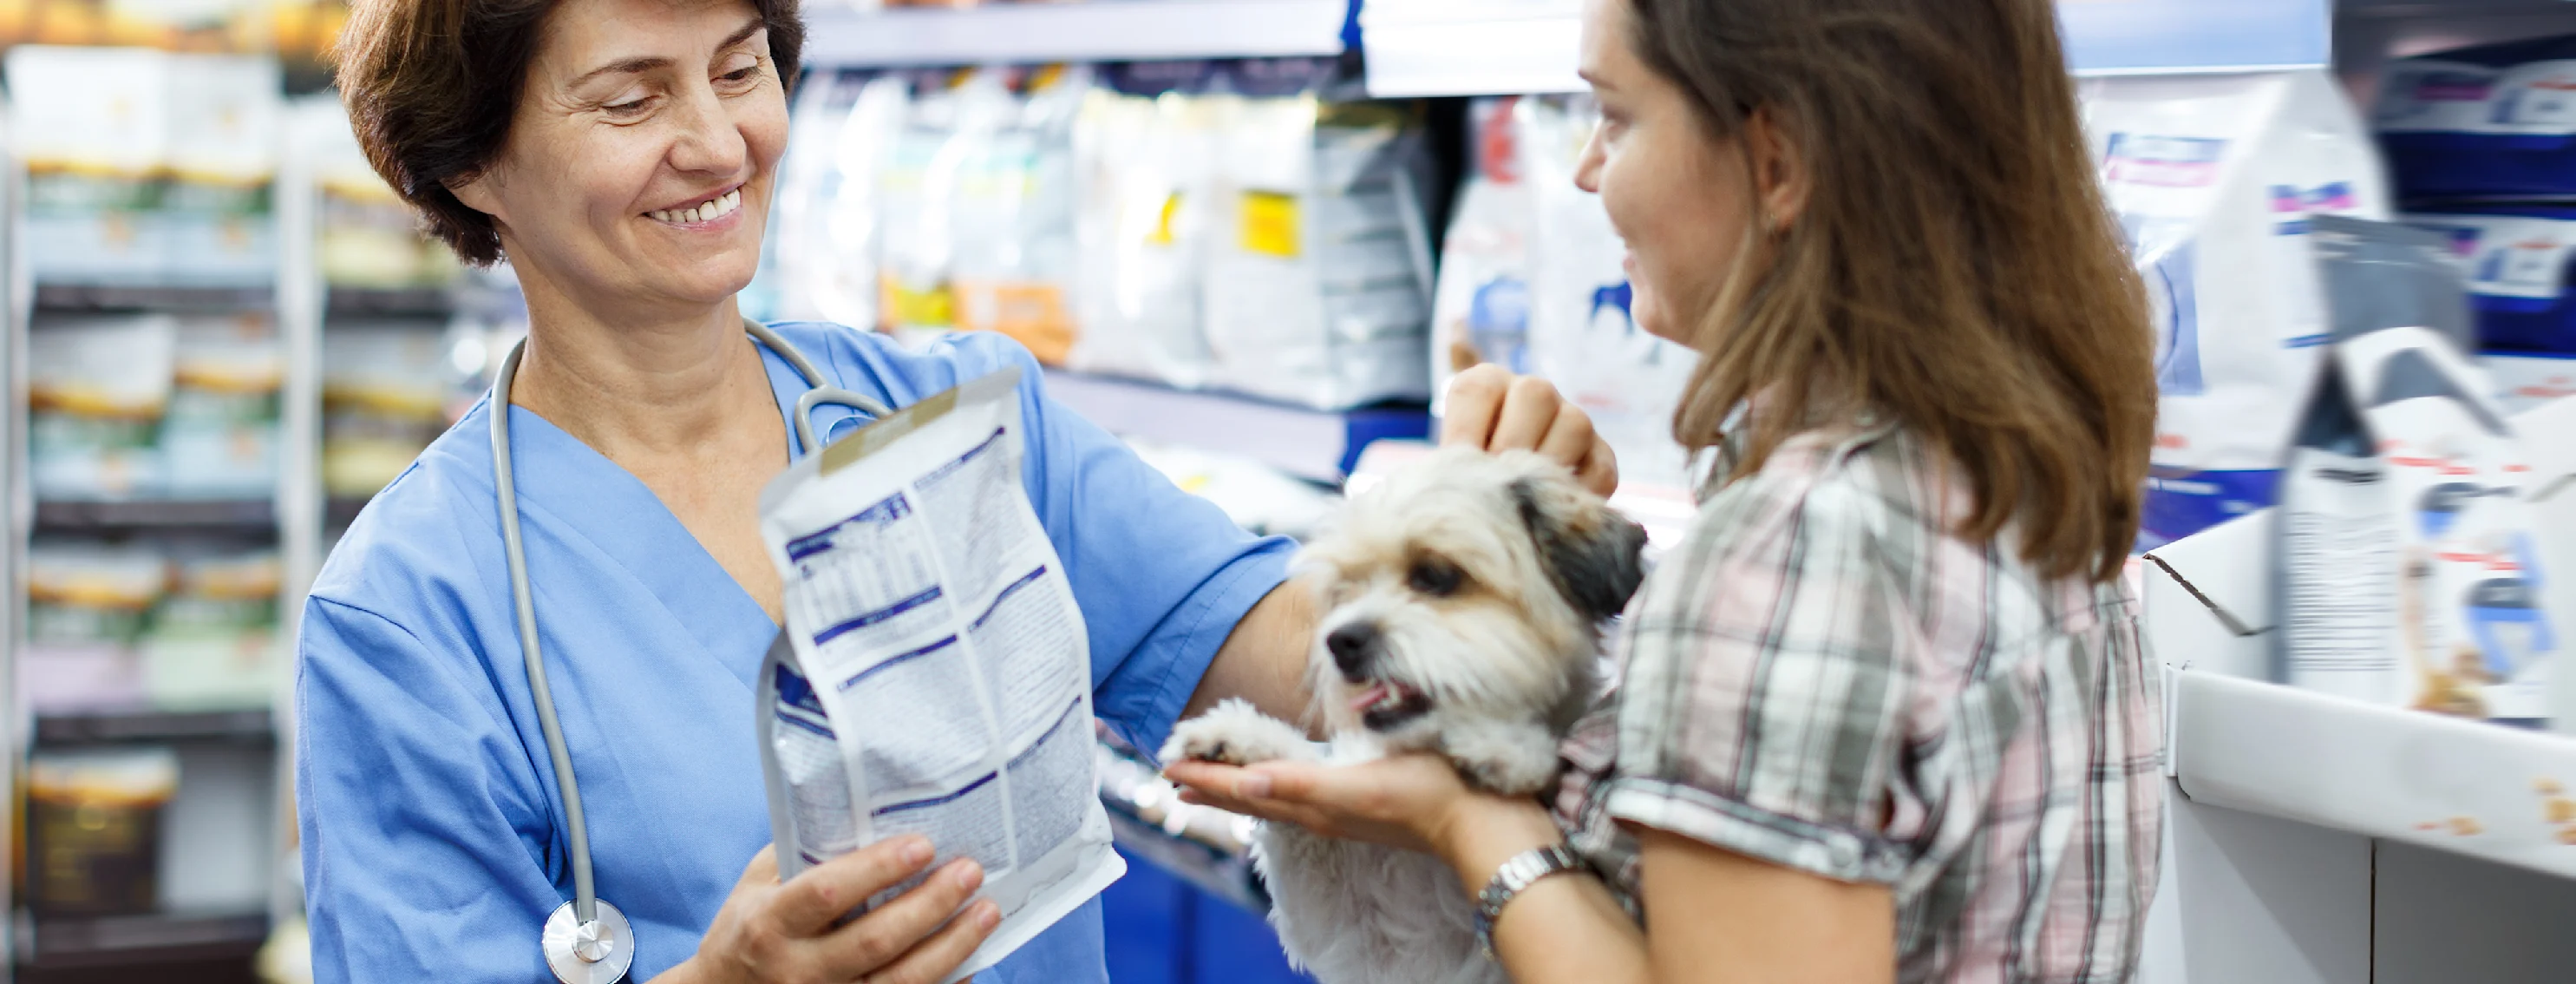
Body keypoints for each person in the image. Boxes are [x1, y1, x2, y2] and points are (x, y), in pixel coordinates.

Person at [299, 0, 1617, 981]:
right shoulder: (410, 617)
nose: (717, 142)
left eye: (741, 67)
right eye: (632, 101)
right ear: (468, 164)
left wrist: (1475, 551)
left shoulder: (957, 418)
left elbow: (1290, 656)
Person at [1167, 0, 2166, 981]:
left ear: (1778, 161)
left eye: (1615, 115)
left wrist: (1469, 821)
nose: (1583, 169)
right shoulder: (2025, 473)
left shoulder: (1790, 561)